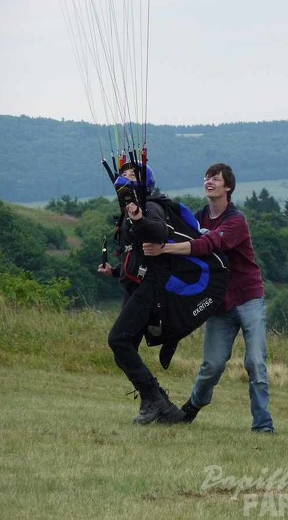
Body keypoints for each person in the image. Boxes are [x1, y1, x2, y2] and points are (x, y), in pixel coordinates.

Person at [143, 163, 274, 433]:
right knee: (212, 366)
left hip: (248, 297)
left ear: (228, 187)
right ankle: (191, 407)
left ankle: (263, 426)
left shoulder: (236, 221)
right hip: (218, 303)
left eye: (215, 178)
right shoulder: (199, 217)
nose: (208, 181)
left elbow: (208, 244)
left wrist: (165, 249)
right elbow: (178, 230)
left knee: (255, 363)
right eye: (206, 177)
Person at [98, 162, 185, 425]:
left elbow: (159, 232)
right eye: (122, 174)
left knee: (118, 340)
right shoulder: (129, 209)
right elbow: (133, 253)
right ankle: (165, 407)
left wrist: (138, 218)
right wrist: (113, 272)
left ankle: (153, 400)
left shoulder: (150, 206)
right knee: (124, 348)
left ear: (143, 182)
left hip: (150, 288)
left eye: (131, 174)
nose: (125, 177)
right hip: (136, 284)